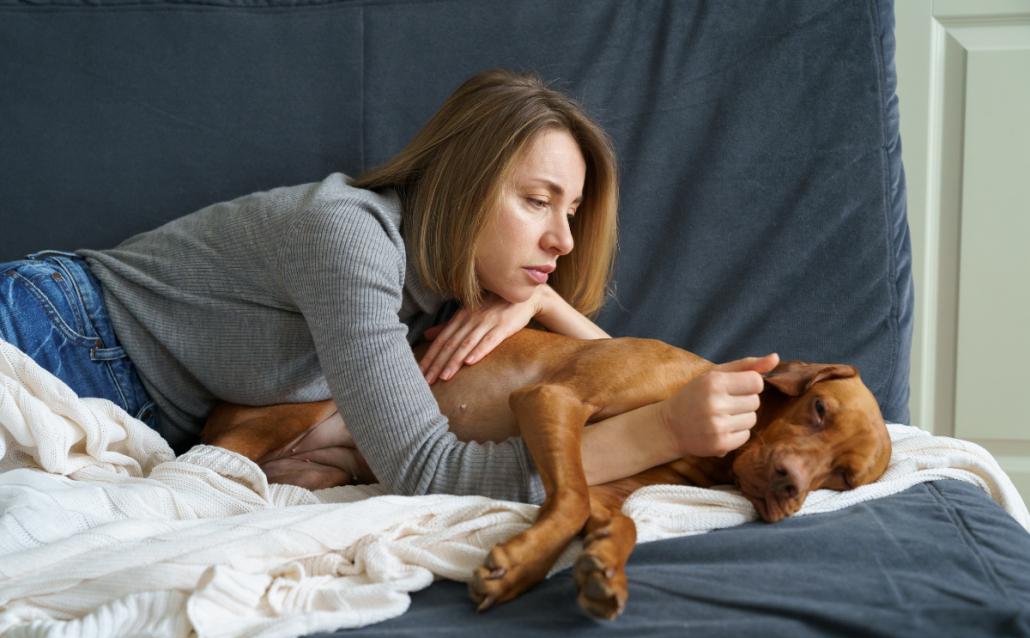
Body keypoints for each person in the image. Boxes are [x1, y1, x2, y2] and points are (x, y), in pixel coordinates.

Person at [0, 69, 777, 504]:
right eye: (537, 201)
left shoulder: (439, 297)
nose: (563, 239)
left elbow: (626, 376)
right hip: (57, 333)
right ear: (463, 181)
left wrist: (544, 302)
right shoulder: (350, 239)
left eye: (571, 212)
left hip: (129, 405)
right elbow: (428, 472)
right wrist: (663, 434)